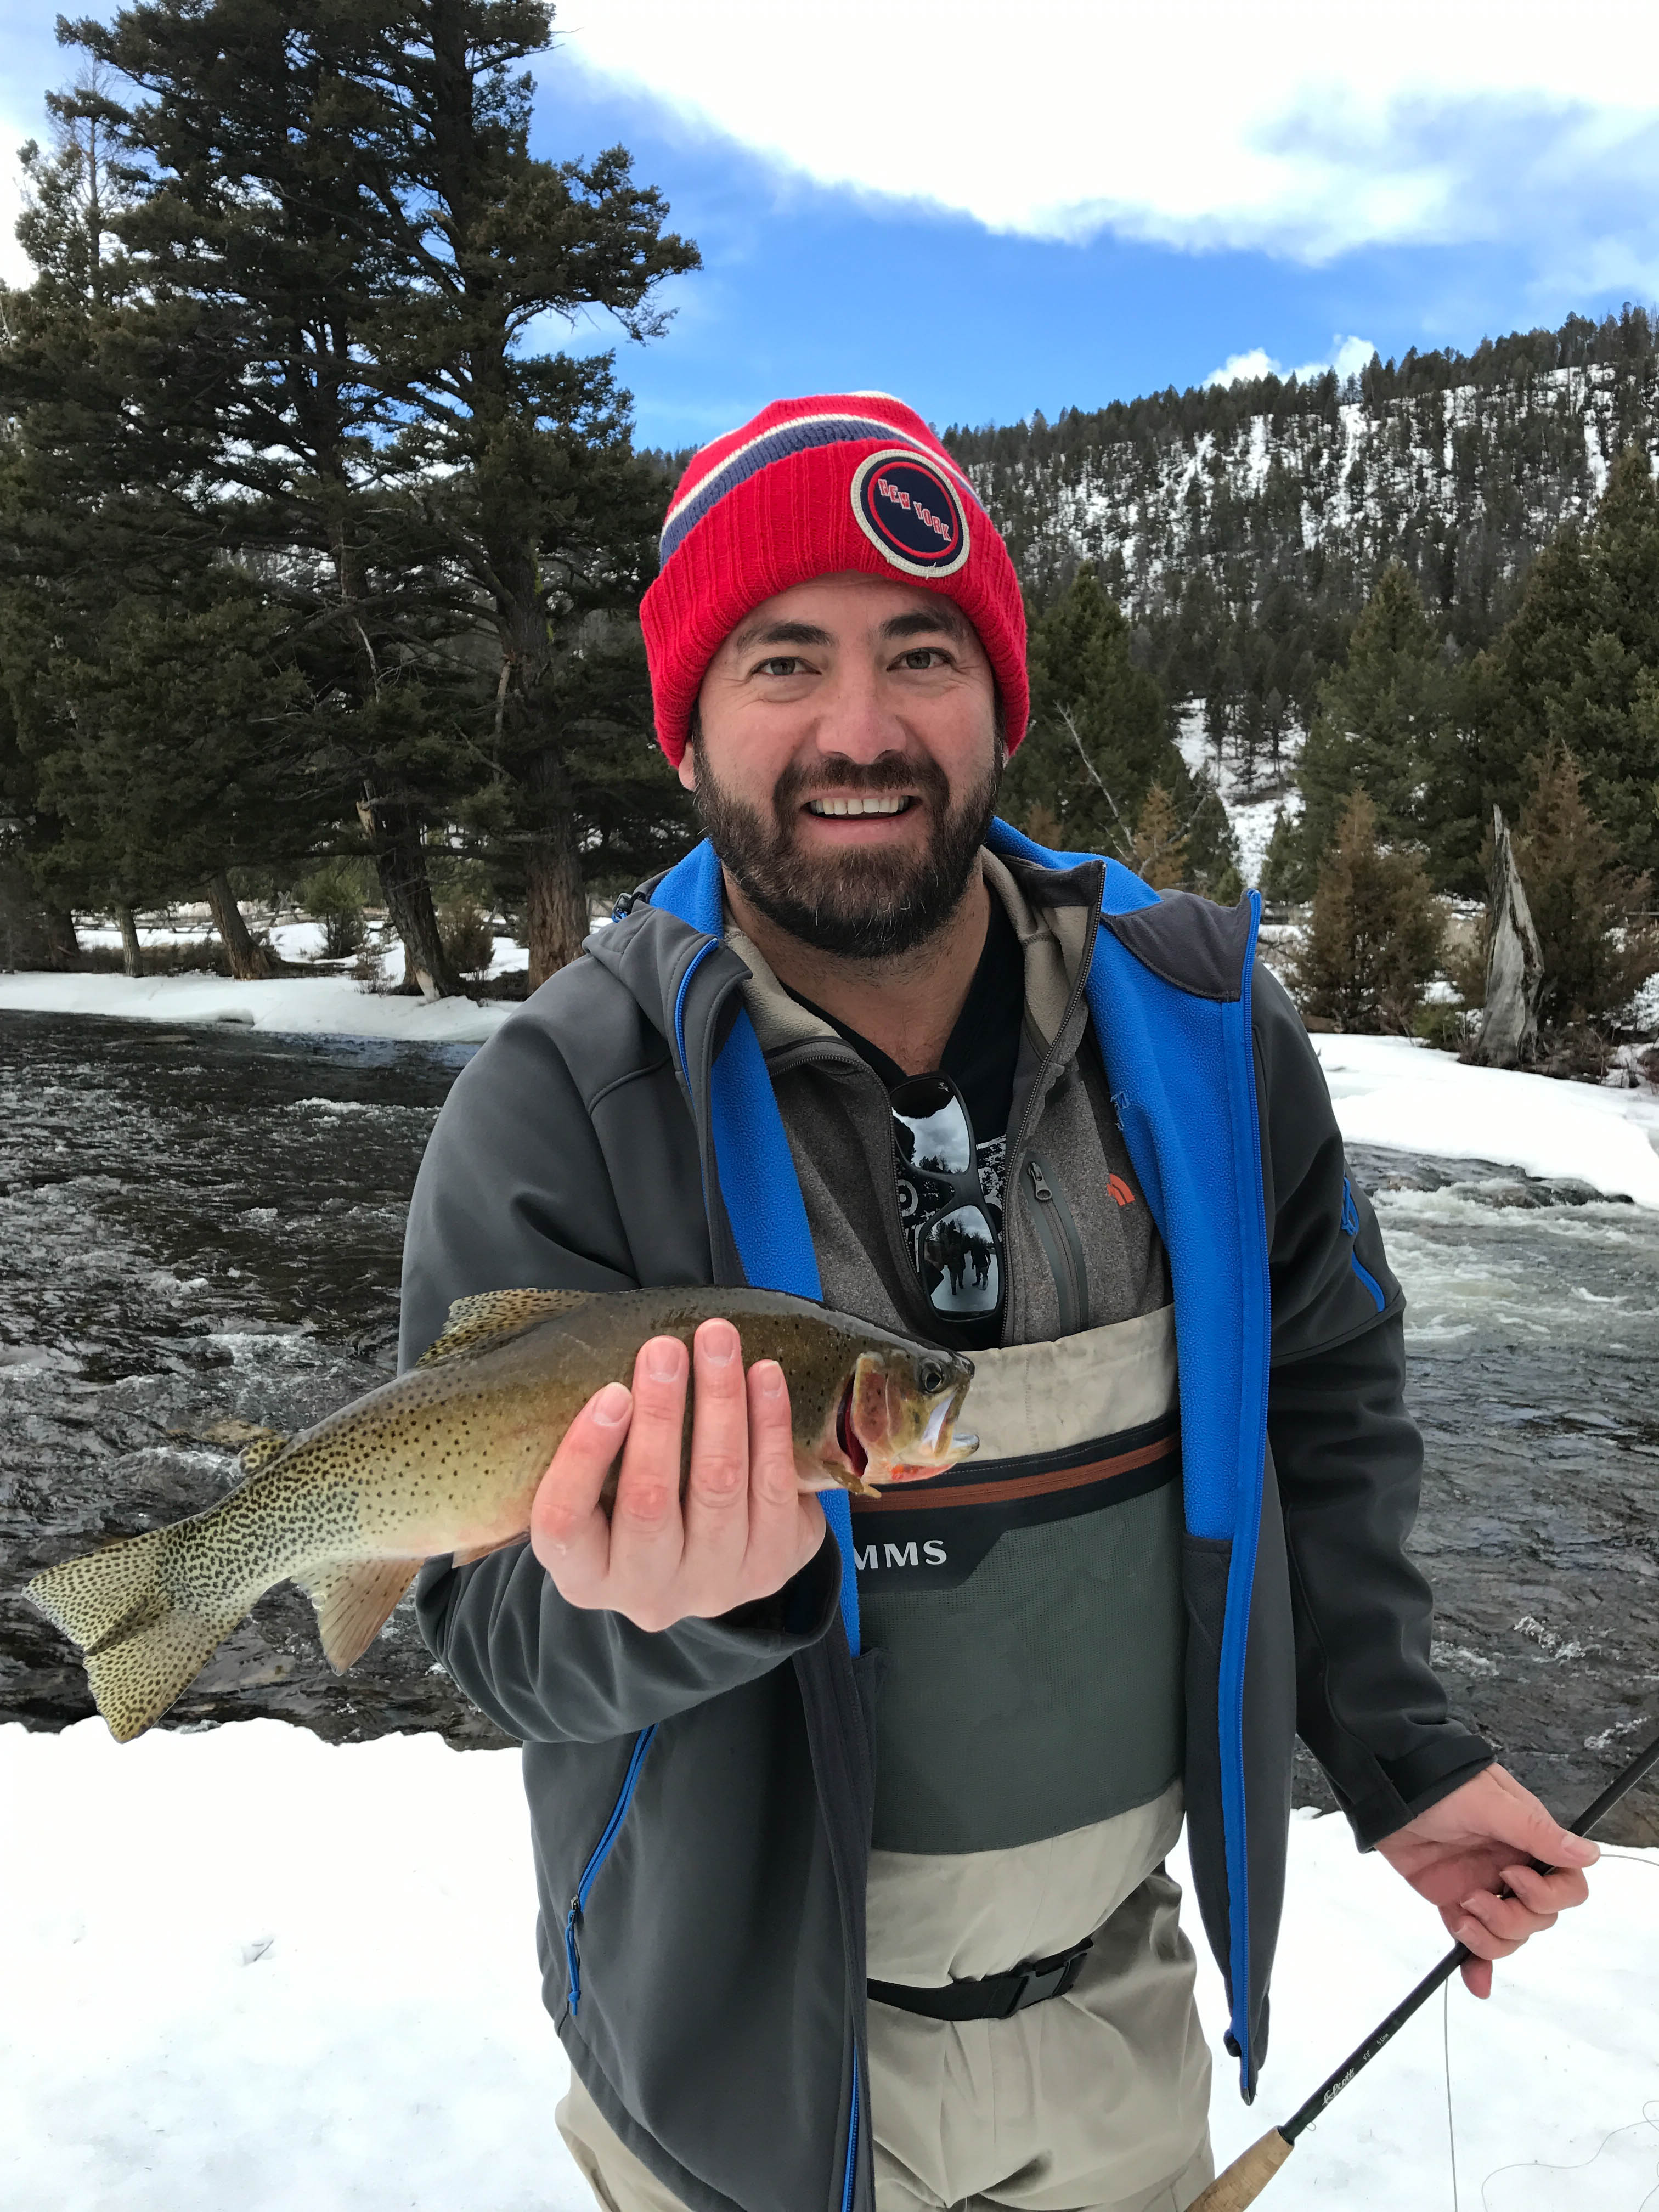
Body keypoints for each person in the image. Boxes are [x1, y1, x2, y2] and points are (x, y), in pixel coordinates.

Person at [401, 394, 1598, 2212]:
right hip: (733, 2072)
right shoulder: (561, 1106)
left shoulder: (1210, 1039)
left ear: (1002, 699)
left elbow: (1325, 1404)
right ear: (690, 726)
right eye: (784, 661)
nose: (861, 729)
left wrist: (1400, 1747)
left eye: (924, 651)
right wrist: (654, 1611)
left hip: (1124, 2031)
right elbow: (489, 1638)